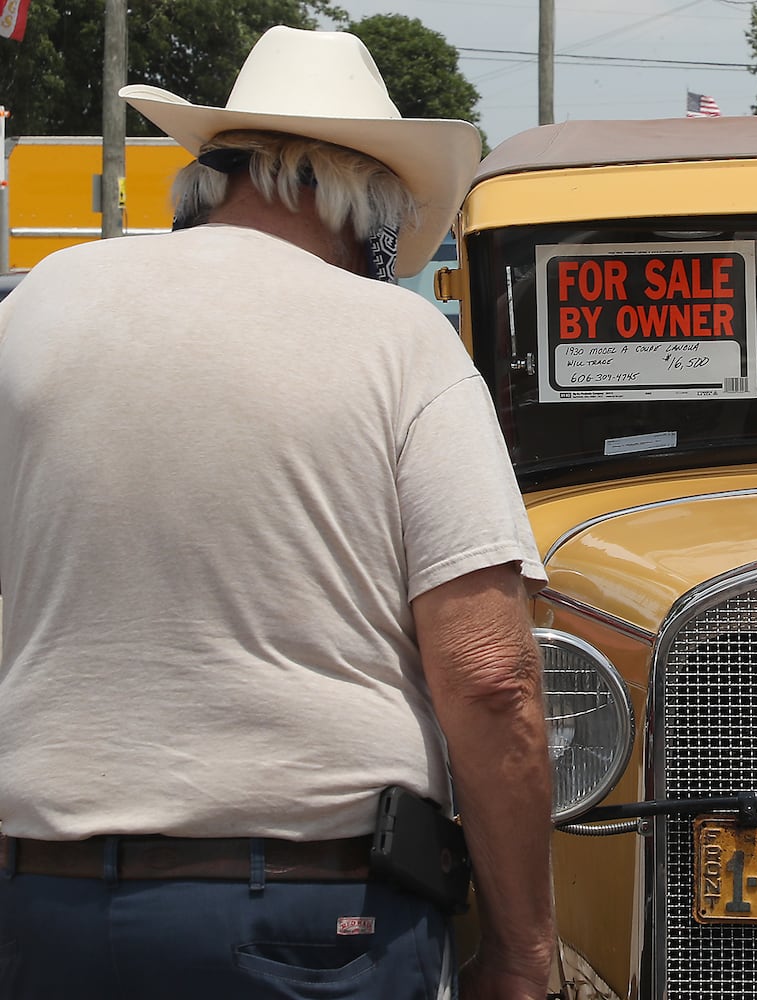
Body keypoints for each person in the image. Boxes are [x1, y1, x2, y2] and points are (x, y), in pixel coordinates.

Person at [0, 25, 554, 1000]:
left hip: (38, 898)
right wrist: (522, 950)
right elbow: (489, 673)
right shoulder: (399, 341)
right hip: (312, 911)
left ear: (211, 179)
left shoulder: (38, 305)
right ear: (374, 211)